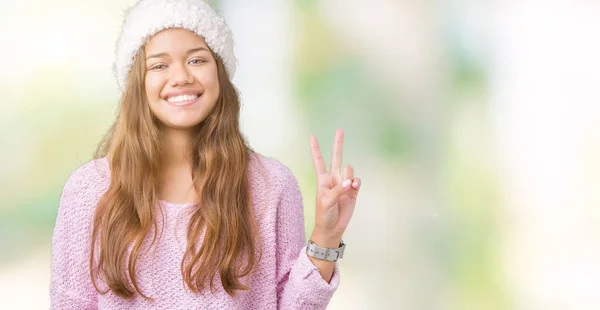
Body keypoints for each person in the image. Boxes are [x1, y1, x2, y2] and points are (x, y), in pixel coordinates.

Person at [50, 0, 362, 309]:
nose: (181, 76)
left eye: (197, 60)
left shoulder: (272, 187)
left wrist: (326, 234)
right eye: (159, 64)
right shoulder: (89, 190)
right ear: (137, 84)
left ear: (220, 73)